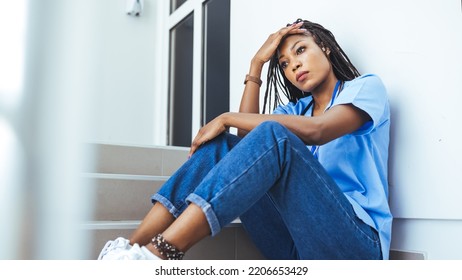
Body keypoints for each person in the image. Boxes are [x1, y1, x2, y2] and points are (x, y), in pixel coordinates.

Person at [98, 18, 392, 260]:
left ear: (325, 48)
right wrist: (256, 65)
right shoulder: (296, 110)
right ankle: (129, 251)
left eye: (300, 51)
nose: (294, 66)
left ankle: (159, 253)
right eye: (286, 63)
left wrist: (225, 117)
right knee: (224, 146)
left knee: (273, 135)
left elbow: (319, 130)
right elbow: (244, 145)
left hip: (356, 245)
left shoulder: (365, 88)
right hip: (296, 247)